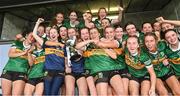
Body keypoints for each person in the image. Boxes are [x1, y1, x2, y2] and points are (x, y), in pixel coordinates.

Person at [32, 18, 65, 95]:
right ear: (49, 35)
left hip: (59, 73)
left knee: (53, 94)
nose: (53, 34)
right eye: (51, 33)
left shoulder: (63, 45)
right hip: (48, 72)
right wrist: (37, 23)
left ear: (58, 34)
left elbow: (67, 59)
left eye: (54, 32)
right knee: (47, 94)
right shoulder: (46, 44)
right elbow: (34, 35)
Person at [65, 28, 88, 95]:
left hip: (80, 70)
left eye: (73, 32)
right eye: (69, 33)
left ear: (76, 33)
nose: (71, 34)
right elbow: (66, 58)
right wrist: (66, 66)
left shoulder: (81, 42)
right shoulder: (67, 44)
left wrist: (77, 48)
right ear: (68, 34)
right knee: (69, 92)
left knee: (83, 93)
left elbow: (81, 53)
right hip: (71, 70)